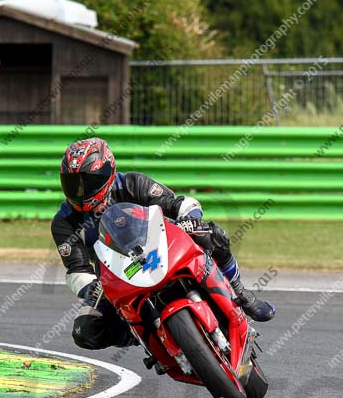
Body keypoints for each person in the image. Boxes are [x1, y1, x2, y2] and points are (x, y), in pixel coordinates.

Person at [51, 138, 275, 350]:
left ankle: (240, 292)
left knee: (213, 234)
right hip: (115, 280)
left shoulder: (132, 183)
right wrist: (92, 287)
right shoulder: (64, 222)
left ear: (108, 172)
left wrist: (190, 218)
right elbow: (76, 271)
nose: (79, 191)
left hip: (161, 248)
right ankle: (142, 335)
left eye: (87, 181)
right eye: (72, 183)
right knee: (84, 330)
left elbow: (179, 204)